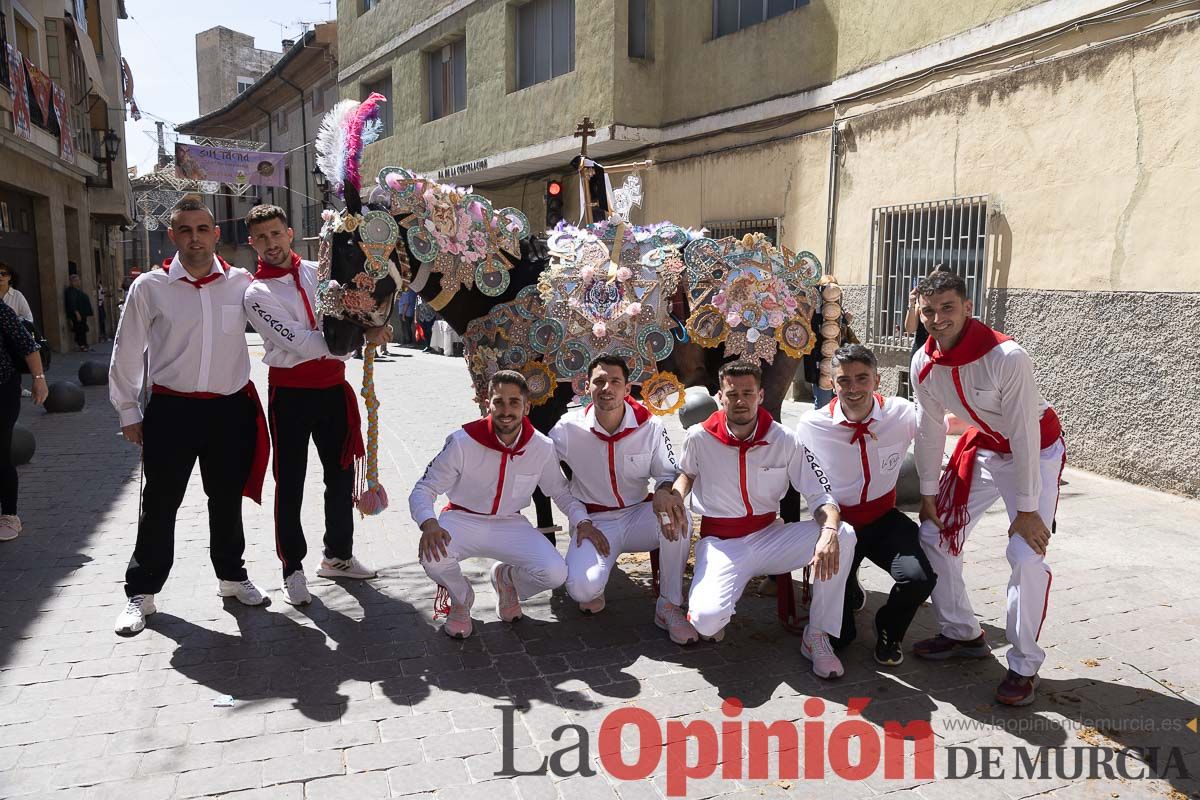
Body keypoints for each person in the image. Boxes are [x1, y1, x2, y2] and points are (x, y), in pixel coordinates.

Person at [109, 196, 270, 635]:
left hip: (229, 409)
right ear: (172, 235)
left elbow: (283, 322)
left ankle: (232, 577)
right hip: (172, 410)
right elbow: (127, 351)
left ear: (216, 234)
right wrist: (127, 409)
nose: (194, 238)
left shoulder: (242, 283)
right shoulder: (149, 287)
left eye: (202, 229)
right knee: (160, 504)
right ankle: (142, 593)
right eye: (185, 229)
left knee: (225, 500)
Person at [910, 271, 1065, 706]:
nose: (938, 319)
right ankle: (962, 633)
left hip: (1034, 452)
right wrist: (926, 493)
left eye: (948, 308)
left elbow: (1024, 432)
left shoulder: (1008, 356)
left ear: (968, 308)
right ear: (919, 312)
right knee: (933, 534)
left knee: (1025, 555)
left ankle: (1024, 665)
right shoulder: (923, 363)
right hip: (981, 448)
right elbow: (929, 427)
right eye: (929, 310)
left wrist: (1029, 509)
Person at [670, 361, 856, 679]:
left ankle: (818, 635)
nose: (740, 400)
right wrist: (675, 494)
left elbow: (820, 494)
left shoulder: (785, 439)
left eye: (748, 393)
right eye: (732, 393)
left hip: (770, 538)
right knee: (705, 621)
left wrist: (827, 528)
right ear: (720, 397)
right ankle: (718, 606)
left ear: (761, 395)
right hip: (722, 544)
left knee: (844, 533)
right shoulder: (699, 438)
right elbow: (686, 473)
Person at [243, 204, 389, 605]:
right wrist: (361, 334)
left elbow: (354, 307)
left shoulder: (318, 270)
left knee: (340, 478)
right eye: (262, 238)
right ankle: (292, 568)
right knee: (290, 483)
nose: (271, 244)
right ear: (252, 243)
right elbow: (304, 343)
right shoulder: (256, 294)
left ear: (289, 234)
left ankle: (338, 555)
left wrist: (371, 322)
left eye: (277, 234)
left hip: (333, 390)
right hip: (290, 394)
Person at [409, 370, 598, 639]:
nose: (506, 410)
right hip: (463, 519)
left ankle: (506, 580)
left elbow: (561, 492)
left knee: (555, 573)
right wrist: (429, 523)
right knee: (433, 556)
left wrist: (583, 521)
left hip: (510, 522)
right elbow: (424, 488)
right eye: (499, 402)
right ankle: (461, 599)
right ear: (488, 404)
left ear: (527, 406)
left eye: (514, 402)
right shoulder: (462, 442)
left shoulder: (542, 447)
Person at [796, 344, 936, 666]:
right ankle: (849, 583)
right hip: (841, 528)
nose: (854, 388)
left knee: (919, 579)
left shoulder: (900, 413)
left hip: (884, 517)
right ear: (832, 383)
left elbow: (939, 427)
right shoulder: (811, 425)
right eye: (844, 380)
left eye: (862, 378)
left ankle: (888, 627)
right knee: (840, 638)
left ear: (877, 379)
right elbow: (793, 473)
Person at [549, 355, 697, 645]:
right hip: (595, 522)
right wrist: (579, 519)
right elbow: (549, 479)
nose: (607, 388)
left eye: (615, 381)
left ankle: (669, 605)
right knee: (583, 591)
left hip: (638, 515)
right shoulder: (567, 429)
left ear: (627, 389)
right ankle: (596, 580)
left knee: (681, 517)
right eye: (599, 381)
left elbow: (667, 472)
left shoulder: (650, 425)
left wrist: (665, 492)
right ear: (586, 388)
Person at [0, 301, 48, 541]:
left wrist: (39, 379)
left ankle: (9, 515)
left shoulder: (1, 310)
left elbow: (28, 345)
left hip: (2, 389)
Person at [64, 273, 93, 352]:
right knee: (79, 329)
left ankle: (85, 344)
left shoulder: (78, 290)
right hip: (77, 314)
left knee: (83, 329)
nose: (78, 282)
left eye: (78, 280)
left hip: (83, 313)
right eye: (76, 281)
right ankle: (82, 345)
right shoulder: (70, 291)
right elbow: (72, 302)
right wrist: (76, 313)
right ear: (72, 282)